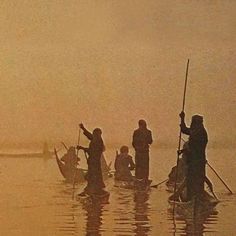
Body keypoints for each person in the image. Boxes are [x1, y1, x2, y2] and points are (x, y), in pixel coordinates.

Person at [179, 111, 208, 200]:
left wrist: (182, 119)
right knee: (193, 181)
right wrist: (182, 118)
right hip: (195, 161)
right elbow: (186, 131)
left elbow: (185, 130)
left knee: (195, 181)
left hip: (196, 162)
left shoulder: (200, 132)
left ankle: (195, 198)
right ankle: (193, 198)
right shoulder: (196, 131)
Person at [77, 123, 106, 196]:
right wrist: (83, 128)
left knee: (93, 175)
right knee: (92, 175)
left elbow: (91, 151)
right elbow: (90, 136)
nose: (93, 135)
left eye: (95, 134)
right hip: (92, 162)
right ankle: (92, 189)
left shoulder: (98, 141)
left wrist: (82, 148)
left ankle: (94, 190)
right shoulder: (95, 139)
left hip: (94, 162)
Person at [132, 120, 153, 184]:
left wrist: (136, 148)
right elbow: (150, 141)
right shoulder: (148, 132)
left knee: (139, 165)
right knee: (144, 166)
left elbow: (133, 143)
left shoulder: (136, 132)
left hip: (140, 151)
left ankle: (139, 179)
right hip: (143, 151)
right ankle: (144, 179)